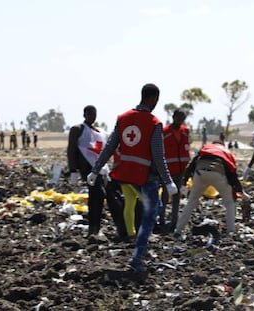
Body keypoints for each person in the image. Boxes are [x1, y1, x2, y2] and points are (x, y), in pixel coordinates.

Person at [87, 83, 178, 273]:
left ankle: (138, 249)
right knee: (149, 216)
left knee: (152, 207)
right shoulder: (154, 123)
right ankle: (136, 259)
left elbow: (110, 147)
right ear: (153, 99)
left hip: (125, 174)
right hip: (146, 177)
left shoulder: (123, 118)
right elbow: (158, 156)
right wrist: (168, 181)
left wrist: (95, 170)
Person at [67, 105, 124, 238]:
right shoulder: (78, 130)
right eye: (89, 114)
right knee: (96, 197)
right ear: (84, 115)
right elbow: (72, 150)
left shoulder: (99, 132)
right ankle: (94, 228)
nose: (92, 117)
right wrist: (73, 170)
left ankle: (121, 228)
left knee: (111, 197)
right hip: (87, 169)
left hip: (102, 169)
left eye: (94, 114)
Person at [174, 141, 248, 239]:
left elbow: (191, 165)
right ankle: (230, 231)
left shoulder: (206, 149)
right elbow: (232, 174)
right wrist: (240, 191)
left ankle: (178, 231)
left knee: (191, 202)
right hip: (217, 173)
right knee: (229, 202)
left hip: (200, 173)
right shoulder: (225, 152)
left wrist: (184, 182)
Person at [159, 108, 191, 232]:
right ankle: (161, 220)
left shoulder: (185, 132)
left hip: (180, 170)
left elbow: (186, 149)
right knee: (165, 196)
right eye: (178, 117)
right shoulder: (164, 131)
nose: (180, 120)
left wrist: (187, 169)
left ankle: (174, 222)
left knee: (177, 198)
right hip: (167, 170)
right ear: (173, 117)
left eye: (183, 118)